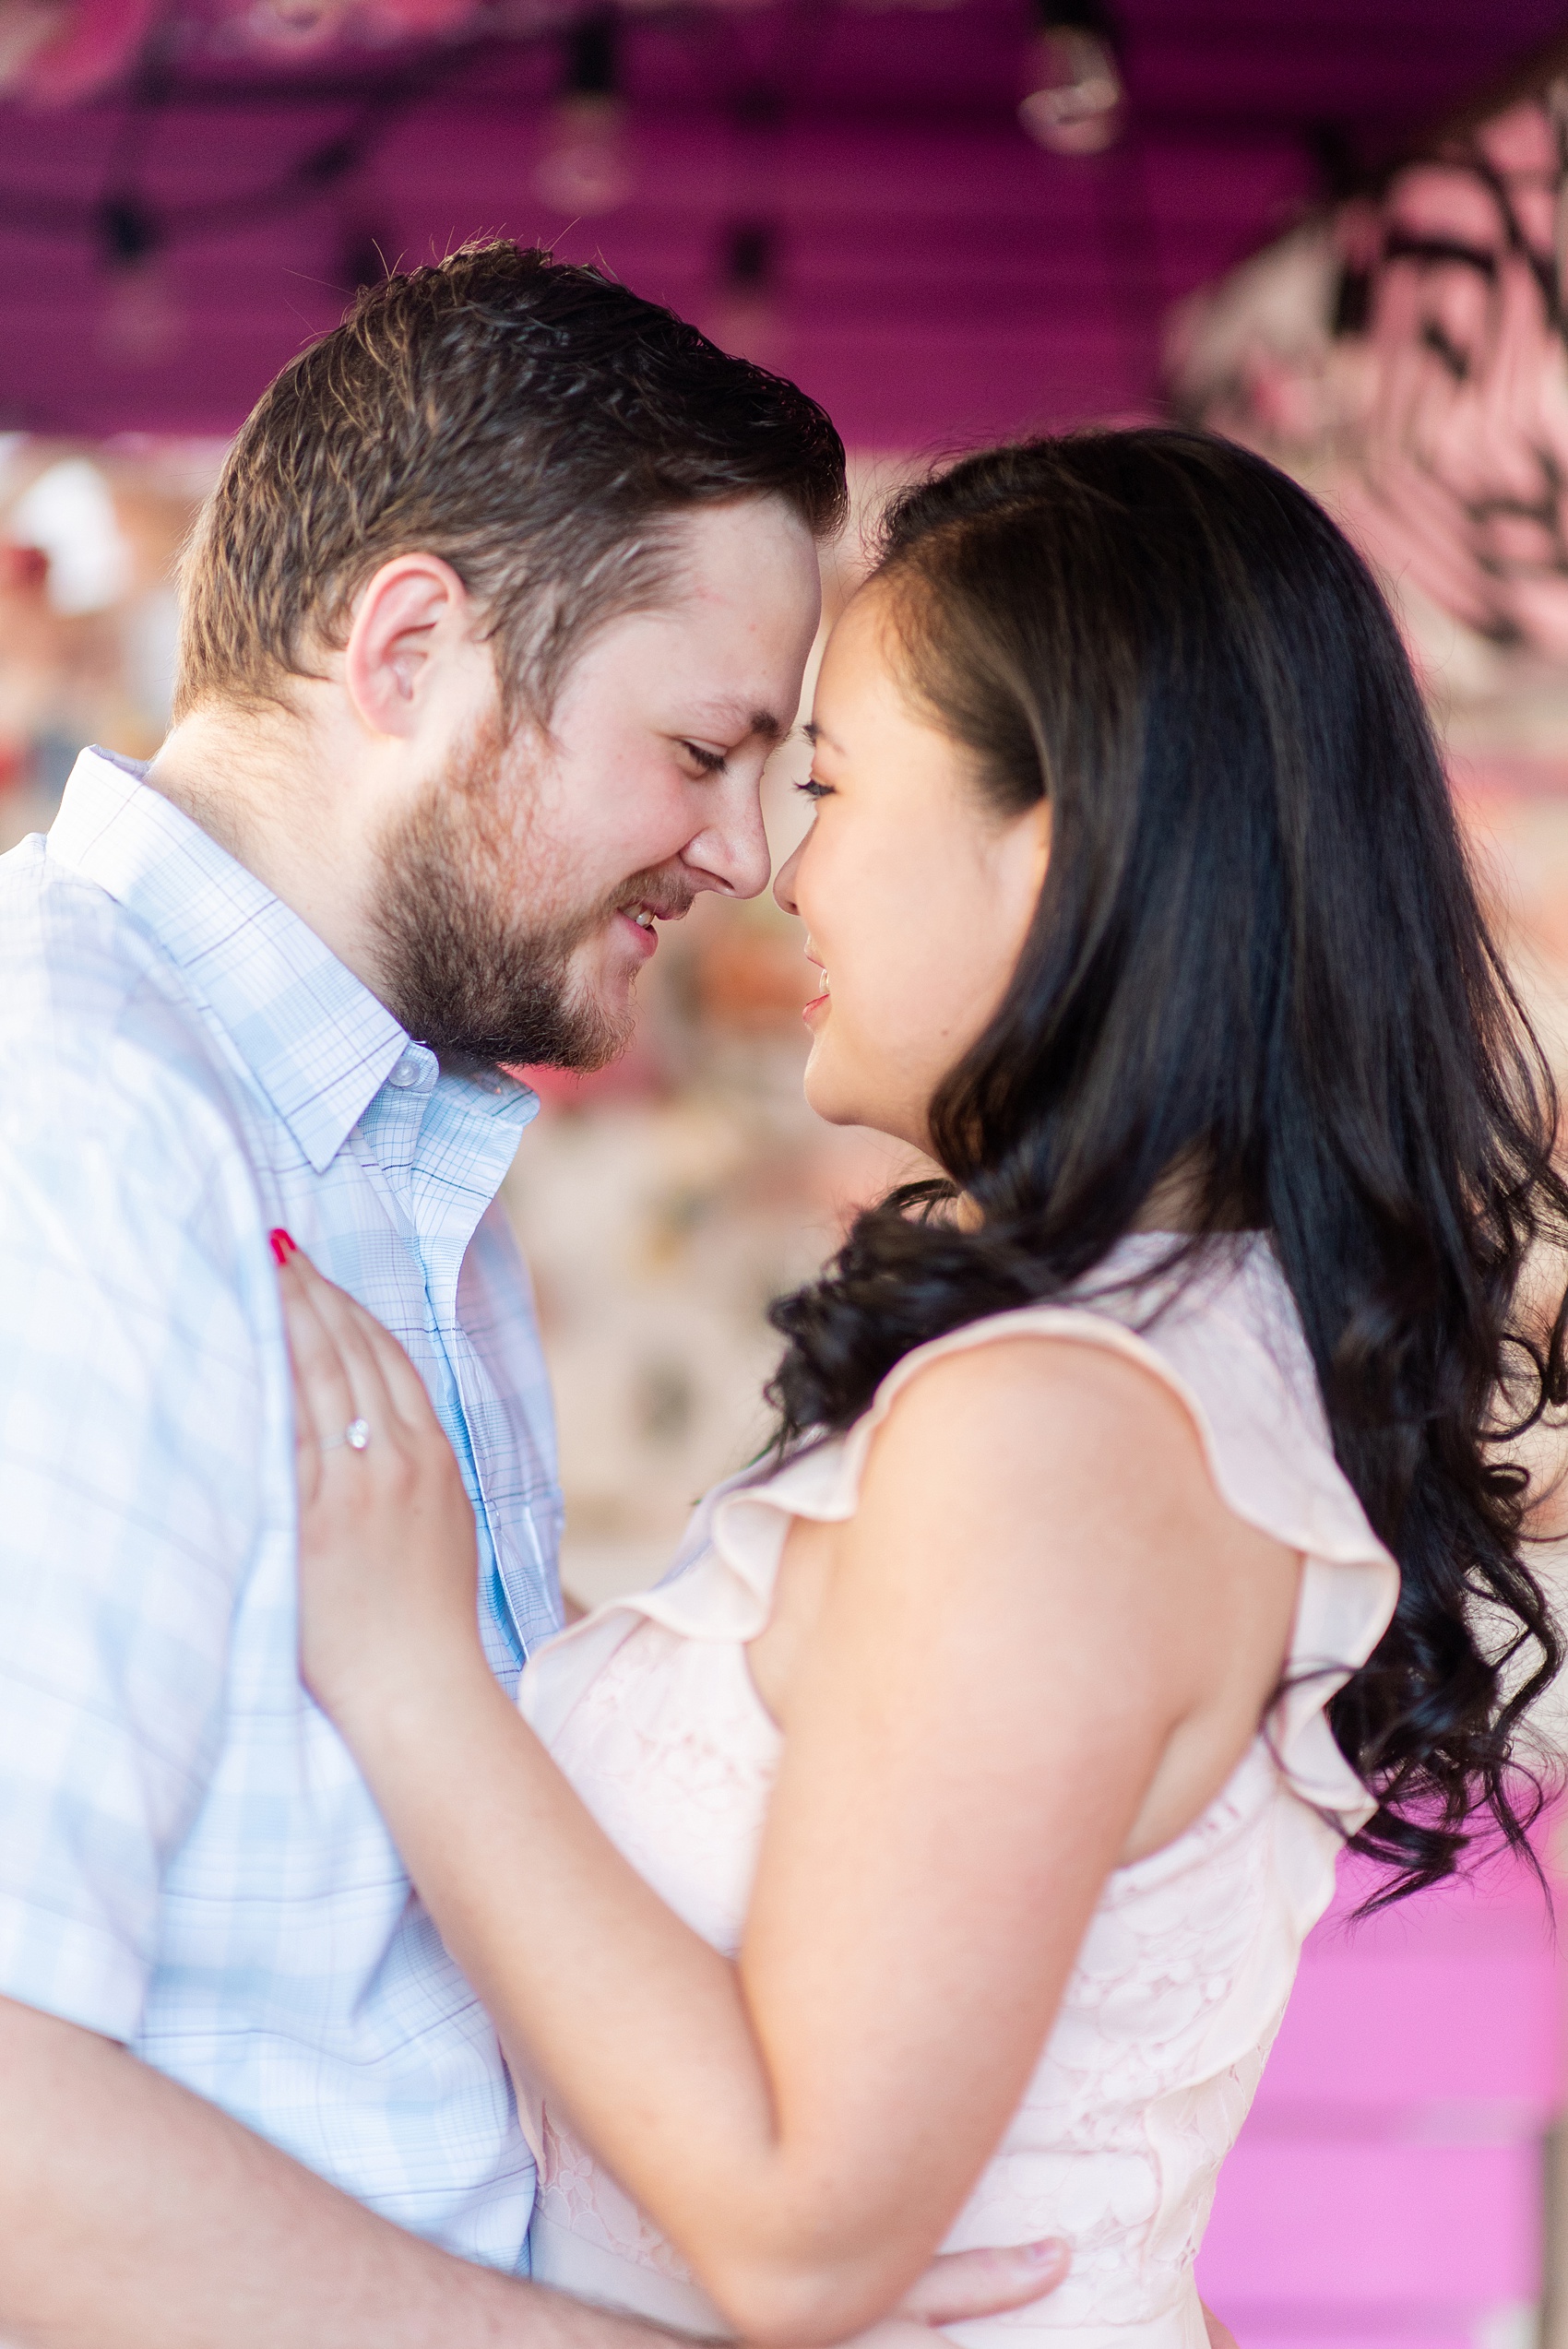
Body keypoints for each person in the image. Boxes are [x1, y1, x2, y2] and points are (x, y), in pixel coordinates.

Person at [277, 430, 1565, 2349]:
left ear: (1053, 839)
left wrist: (409, 1674)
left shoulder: (1062, 1427)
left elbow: (804, 2233)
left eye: (830, 781)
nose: (778, 870)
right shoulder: (1164, 1366)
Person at [0, 243, 1066, 2349]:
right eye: (704, 742)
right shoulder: (77, 1121)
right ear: (412, 647)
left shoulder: (411, 1159)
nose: (754, 849)